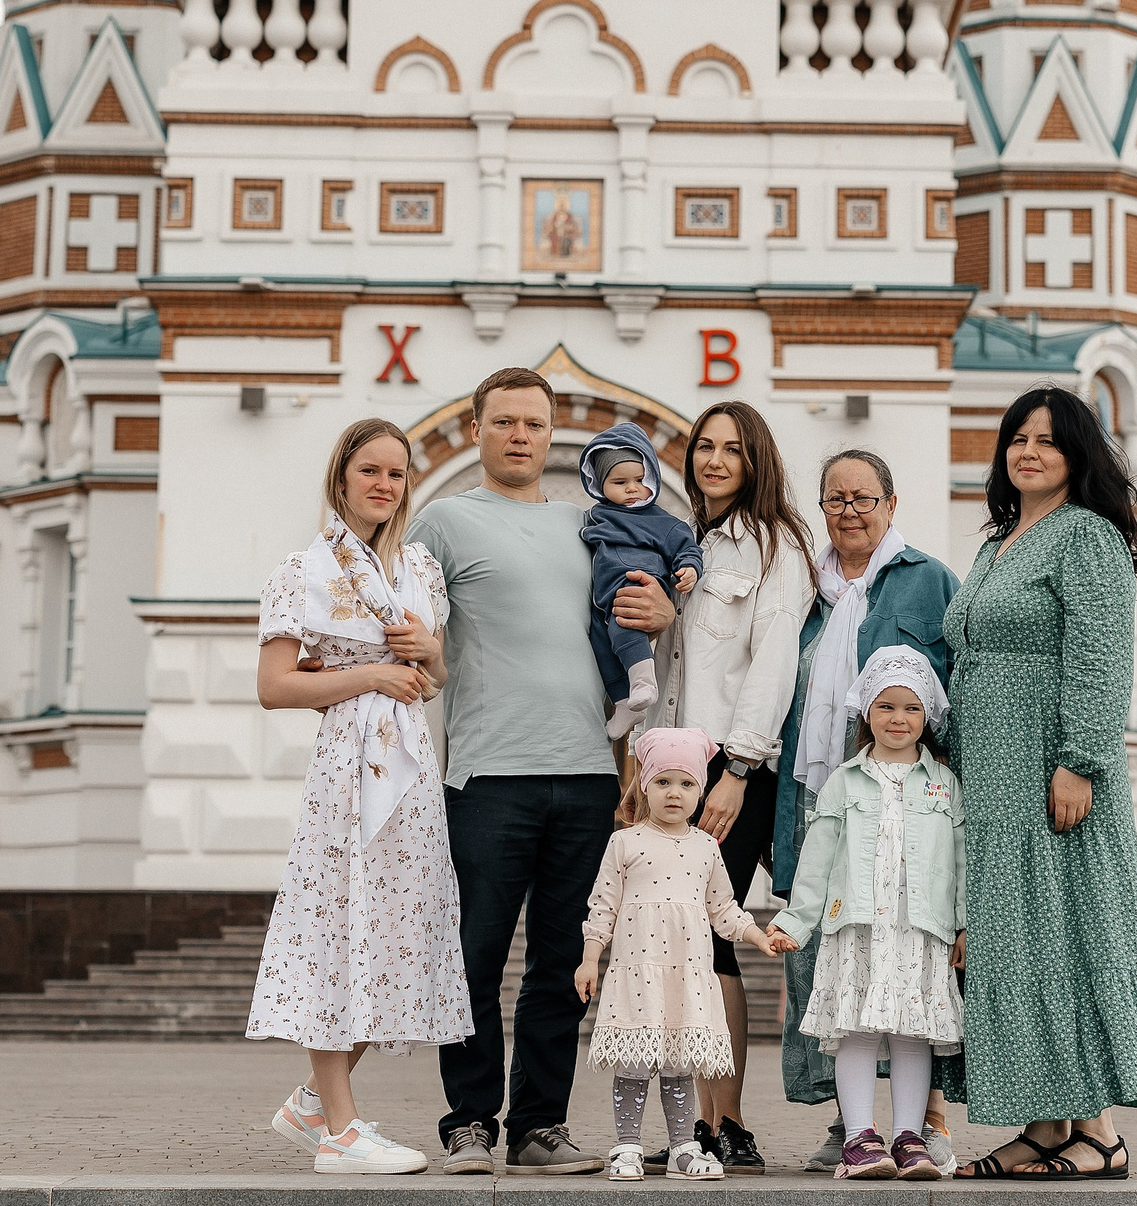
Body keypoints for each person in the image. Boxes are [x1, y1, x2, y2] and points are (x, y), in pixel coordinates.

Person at [410, 367, 674, 1176]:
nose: (520, 435)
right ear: (480, 429)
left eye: (533, 423)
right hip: (488, 774)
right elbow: (413, 635)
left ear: (552, 435)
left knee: (564, 963)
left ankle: (537, 1126)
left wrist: (664, 611)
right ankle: (467, 1122)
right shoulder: (443, 521)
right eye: (504, 422)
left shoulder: (588, 523)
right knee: (476, 955)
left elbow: (643, 610)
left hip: (590, 771)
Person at [943, 387, 1137, 1179]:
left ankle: (1096, 1131)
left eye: (1048, 440)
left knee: (1064, 938)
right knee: (1017, 948)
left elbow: (1102, 655)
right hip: (992, 784)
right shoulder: (999, 541)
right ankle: (1044, 1124)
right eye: (1017, 438)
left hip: (1052, 778)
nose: (1028, 450)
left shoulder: (1086, 538)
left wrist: (1081, 760)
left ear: (1077, 454)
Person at [248, 417, 466, 1175]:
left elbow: (432, 677)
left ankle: (314, 1099)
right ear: (341, 476)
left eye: (397, 474)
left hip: (411, 766)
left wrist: (425, 652)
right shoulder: (302, 568)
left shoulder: (419, 569)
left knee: (403, 930)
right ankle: (339, 1132)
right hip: (348, 771)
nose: (383, 484)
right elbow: (276, 686)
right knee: (343, 924)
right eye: (369, 470)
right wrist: (372, 673)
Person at [615, 399, 812, 1173]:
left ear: (756, 459)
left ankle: (724, 1121)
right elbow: (664, 671)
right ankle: (704, 1120)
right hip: (672, 768)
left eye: (733, 448)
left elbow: (773, 663)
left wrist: (738, 769)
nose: (715, 460)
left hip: (732, 769)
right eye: (704, 447)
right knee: (686, 941)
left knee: (711, 938)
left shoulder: (774, 546)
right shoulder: (678, 539)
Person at [772, 449, 962, 1172]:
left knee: (915, 972)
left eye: (863, 496)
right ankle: (849, 1125)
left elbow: (961, 678)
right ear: (821, 506)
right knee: (830, 966)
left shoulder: (929, 580)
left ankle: (925, 1121)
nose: (849, 509)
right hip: (820, 787)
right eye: (834, 498)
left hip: (916, 795)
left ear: (890, 501)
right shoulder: (801, 585)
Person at [767, 648, 965, 1182]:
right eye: (885, 707)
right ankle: (859, 1138)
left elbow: (961, 857)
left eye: (911, 709)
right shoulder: (844, 782)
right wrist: (794, 921)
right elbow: (817, 859)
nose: (898, 719)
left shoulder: (943, 784)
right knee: (853, 1029)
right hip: (856, 927)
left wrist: (964, 923)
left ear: (927, 717)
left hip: (920, 931)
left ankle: (908, 1138)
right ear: (866, 714)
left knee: (911, 1033)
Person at [577, 727, 782, 1182]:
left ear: (701, 791)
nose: (675, 793)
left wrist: (759, 936)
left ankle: (682, 1148)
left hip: (686, 977)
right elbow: (603, 906)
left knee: (678, 1066)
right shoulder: (625, 843)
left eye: (687, 784)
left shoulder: (707, 847)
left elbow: (724, 910)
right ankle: (627, 1145)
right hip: (637, 974)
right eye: (663, 782)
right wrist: (590, 958)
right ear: (644, 786)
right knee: (633, 1065)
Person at [579, 423, 702, 738]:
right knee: (599, 642)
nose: (633, 488)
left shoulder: (661, 521)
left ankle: (644, 683)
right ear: (599, 485)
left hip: (636, 585)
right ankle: (623, 702)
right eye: (620, 482)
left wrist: (689, 568)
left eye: (640, 480)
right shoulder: (596, 517)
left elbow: (685, 547)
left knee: (626, 625)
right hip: (602, 598)